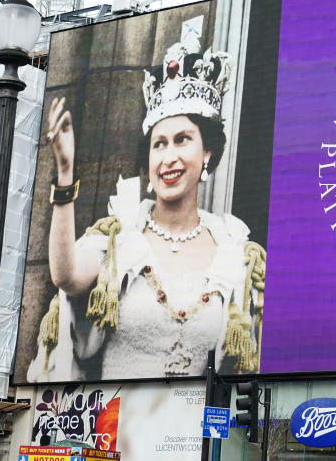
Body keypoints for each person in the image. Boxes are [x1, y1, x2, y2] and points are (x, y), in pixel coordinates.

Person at [28, 32, 265, 381]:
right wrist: (65, 174)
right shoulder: (119, 237)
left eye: (182, 140)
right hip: (117, 427)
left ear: (207, 153)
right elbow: (66, 277)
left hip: (191, 431)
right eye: (159, 144)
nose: (169, 157)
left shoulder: (233, 250)